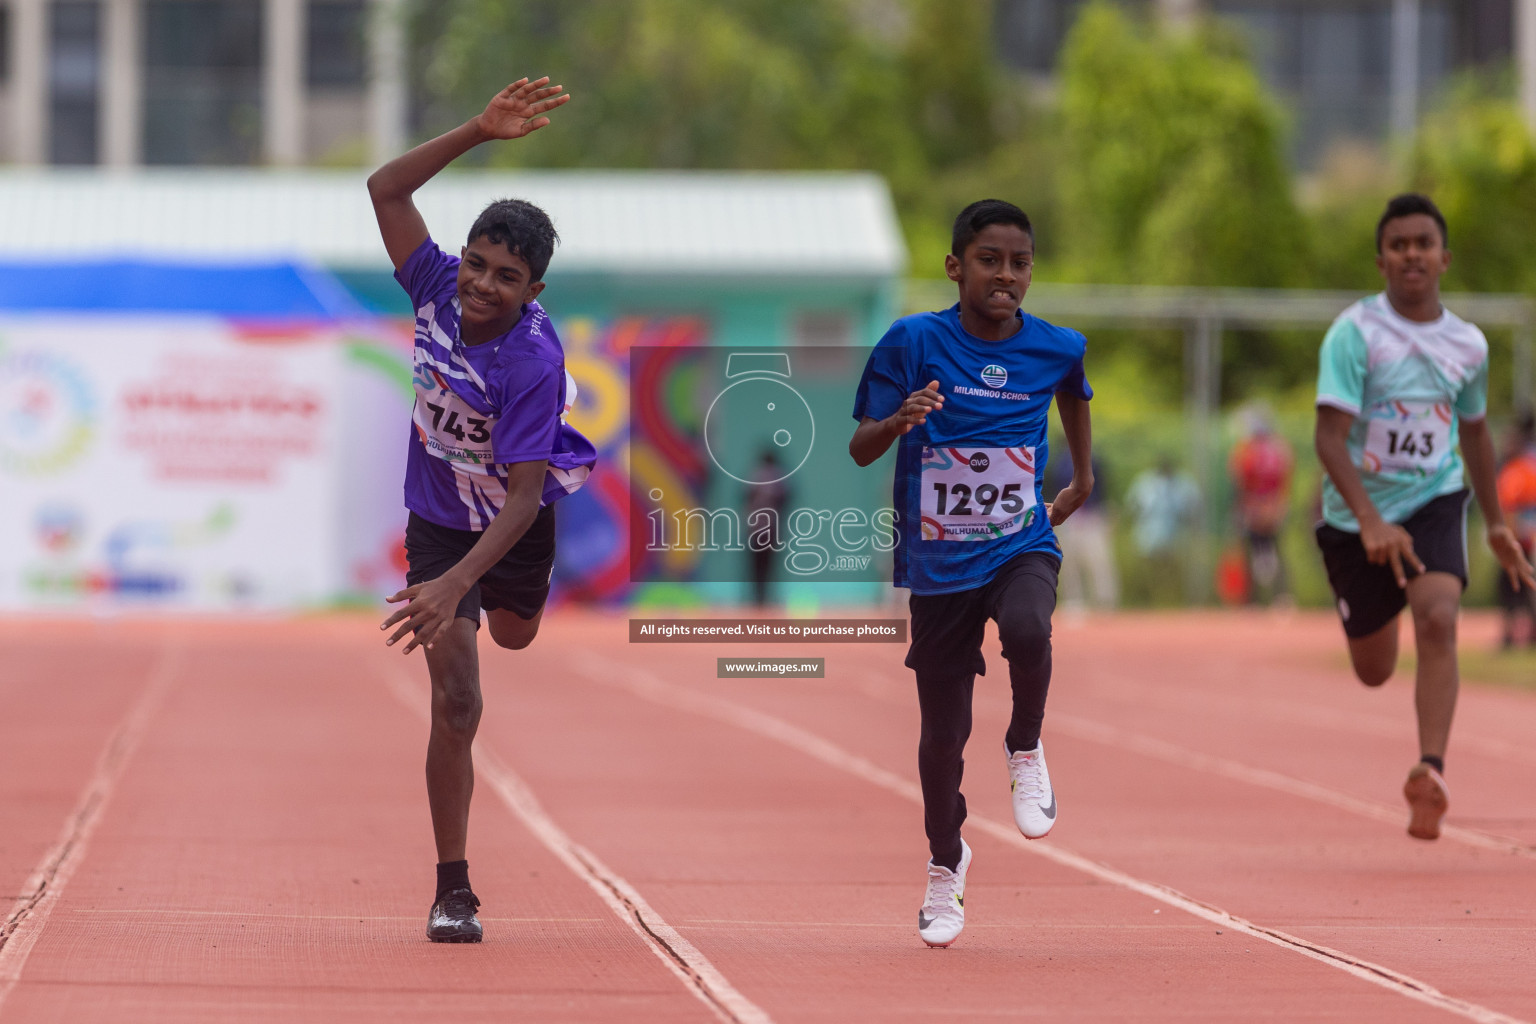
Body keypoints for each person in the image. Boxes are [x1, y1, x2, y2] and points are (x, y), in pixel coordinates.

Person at [370, 77, 596, 941]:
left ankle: (505, 601)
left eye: (507, 278)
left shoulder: (532, 364)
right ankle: (453, 888)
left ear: (533, 290)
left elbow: (526, 496)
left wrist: (465, 581)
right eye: (477, 264)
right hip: (435, 516)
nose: (482, 286)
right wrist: (475, 129)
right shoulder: (431, 286)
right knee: (459, 702)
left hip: (511, 523)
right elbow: (385, 190)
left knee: (514, 635)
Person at [849, 199, 1094, 947]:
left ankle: (1025, 745)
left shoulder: (1058, 346)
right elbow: (860, 447)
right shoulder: (913, 341)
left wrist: (1080, 479)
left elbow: (1074, 396)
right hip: (937, 562)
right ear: (957, 267)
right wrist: (897, 422)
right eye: (990, 259)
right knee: (940, 740)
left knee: (1028, 626)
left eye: (1020, 262)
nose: (1007, 275)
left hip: (1019, 538)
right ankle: (946, 863)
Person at [1313, 193, 1534, 842]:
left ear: (1444, 258)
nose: (1412, 253)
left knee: (1439, 619)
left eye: (1423, 243)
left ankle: (1430, 770)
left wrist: (1493, 521)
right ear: (1381, 260)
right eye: (1399, 244)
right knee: (1374, 670)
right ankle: (1371, 604)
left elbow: (1474, 435)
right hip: (1355, 516)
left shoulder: (1467, 344)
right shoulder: (1354, 335)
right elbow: (1329, 438)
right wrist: (1370, 520)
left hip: (1435, 496)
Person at [1228, 409, 1294, 605]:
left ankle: (1252, 601)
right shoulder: (1281, 449)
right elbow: (1285, 479)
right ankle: (1281, 596)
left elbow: (1239, 480)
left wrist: (1243, 508)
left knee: (1251, 551)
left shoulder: (1246, 450)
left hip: (1254, 507)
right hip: (1273, 505)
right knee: (1276, 550)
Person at [1045, 448, 1117, 611]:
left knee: (1099, 560)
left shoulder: (1094, 459)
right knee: (1069, 561)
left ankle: (1104, 601)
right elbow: (1051, 488)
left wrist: (1105, 511)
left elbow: (1103, 487)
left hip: (1092, 514)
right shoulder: (1059, 463)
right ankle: (1074, 601)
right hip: (1067, 517)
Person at [1124, 457, 1200, 604]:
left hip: (1175, 532)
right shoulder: (1145, 482)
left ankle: (1173, 597)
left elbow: (1193, 506)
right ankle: (1148, 596)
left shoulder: (1183, 483)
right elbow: (1133, 504)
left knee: (1173, 566)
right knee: (1149, 565)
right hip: (1149, 531)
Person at [1495, 411, 1536, 648]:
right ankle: (1527, 634)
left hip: (1520, 539)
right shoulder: (1525, 467)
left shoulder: (1516, 471)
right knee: (1523, 586)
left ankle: (1510, 636)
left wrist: (1510, 539)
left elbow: (1509, 507)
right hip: (1525, 536)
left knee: (1511, 586)